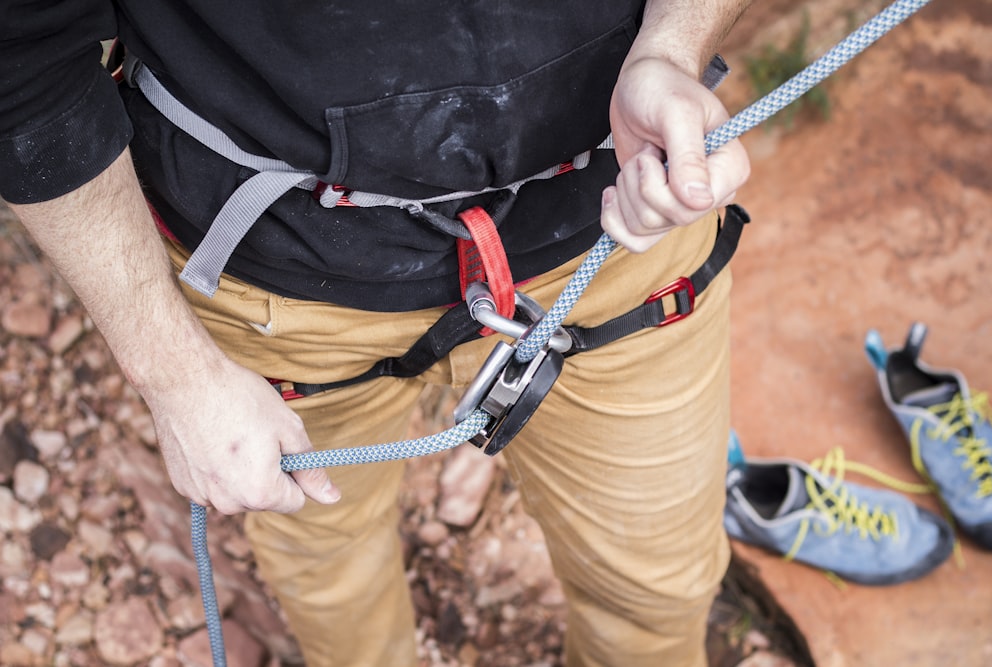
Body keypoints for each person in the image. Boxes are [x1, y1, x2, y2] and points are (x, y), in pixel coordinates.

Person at [0, 1, 751, 665]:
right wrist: (177, 375)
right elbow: (20, 56)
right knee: (333, 582)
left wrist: (672, 47)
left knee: (656, 587)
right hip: (279, 274)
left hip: (610, 229)